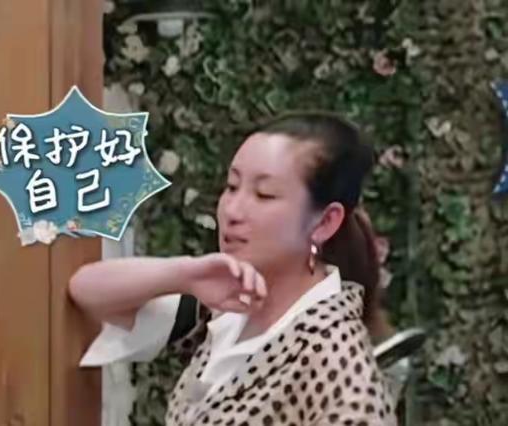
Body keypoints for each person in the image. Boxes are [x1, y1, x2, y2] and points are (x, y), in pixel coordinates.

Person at [69, 112, 398, 425]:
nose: (233, 211)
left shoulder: (337, 361)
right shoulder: (228, 307)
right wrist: (186, 274)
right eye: (231, 186)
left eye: (264, 195)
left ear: (325, 222)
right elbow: (86, 291)